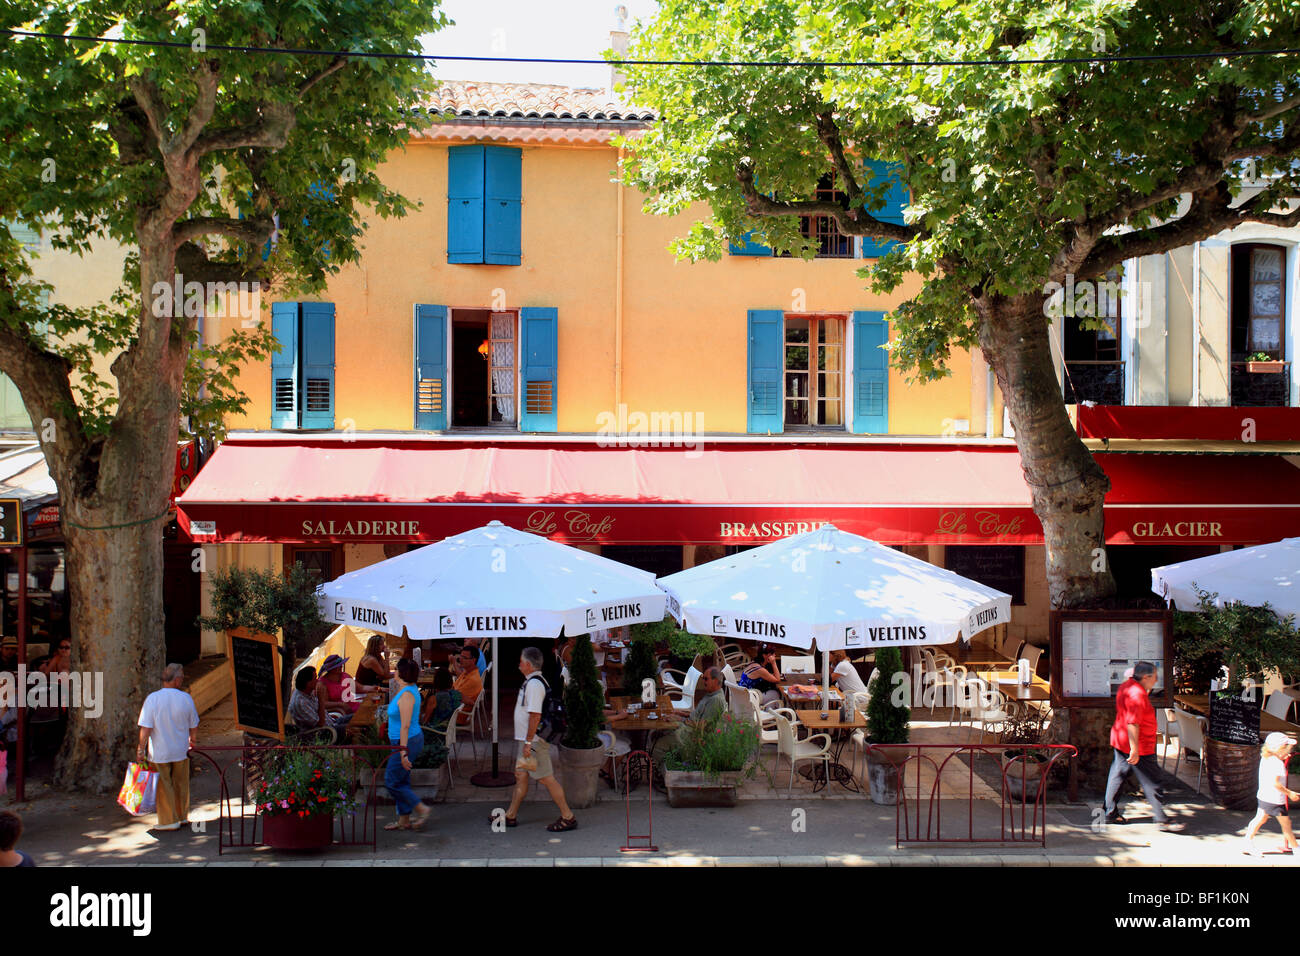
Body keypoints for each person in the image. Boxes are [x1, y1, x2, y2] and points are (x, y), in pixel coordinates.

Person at [498, 646, 577, 832]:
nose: (518, 665)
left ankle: (568, 816)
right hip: (529, 741)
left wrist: (527, 743)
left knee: (546, 778)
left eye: (520, 661)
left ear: (527, 664)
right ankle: (510, 815)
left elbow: (535, 715)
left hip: (532, 743)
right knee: (521, 776)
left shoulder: (534, 685)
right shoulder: (532, 682)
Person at [1103, 661, 1184, 832]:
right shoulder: (1136, 694)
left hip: (1121, 738)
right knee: (1152, 781)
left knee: (1117, 774)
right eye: (1154, 677)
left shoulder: (1126, 686)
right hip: (1139, 744)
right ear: (1146, 677)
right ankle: (1162, 819)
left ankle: (1110, 812)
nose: (1155, 681)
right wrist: (1135, 749)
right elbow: (1133, 723)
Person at [136, 663, 200, 832]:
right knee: (181, 784)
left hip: (159, 751)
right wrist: (192, 740)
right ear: (177, 680)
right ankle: (181, 815)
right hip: (181, 749)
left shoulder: (153, 699)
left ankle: (168, 820)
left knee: (164, 787)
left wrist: (140, 749)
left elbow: (146, 728)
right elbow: (194, 724)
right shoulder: (186, 698)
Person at [383, 658, 430, 831]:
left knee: (391, 780)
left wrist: (403, 752)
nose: (394, 671)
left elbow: (405, 725)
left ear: (401, 673)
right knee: (402, 779)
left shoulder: (407, 695)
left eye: (396, 669)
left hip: (406, 742)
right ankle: (404, 820)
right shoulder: (405, 691)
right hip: (403, 741)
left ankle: (421, 808)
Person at [1243, 732, 1300, 856]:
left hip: (1265, 796)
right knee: (1285, 824)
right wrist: (1290, 793)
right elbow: (1276, 784)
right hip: (1274, 799)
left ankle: (1248, 842)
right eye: (1286, 749)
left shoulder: (1267, 758)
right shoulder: (1278, 764)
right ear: (1278, 749)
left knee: (1260, 819)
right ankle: (1296, 848)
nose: (1288, 752)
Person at [316, 655, 359, 719]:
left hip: (353, 705)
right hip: (341, 711)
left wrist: (375, 688)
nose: (341, 666)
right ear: (331, 669)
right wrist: (340, 704)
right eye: (338, 665)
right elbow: (323, 703)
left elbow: (358, 688)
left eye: (341, 664)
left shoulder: (345, 675)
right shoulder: (322, 684)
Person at [452, 647, 482, 725]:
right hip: (455, 710)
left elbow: (455, 697)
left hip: (457, 716)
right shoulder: (467, 672)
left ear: (473, 660)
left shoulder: (472, 679)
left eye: (464, 658)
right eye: (460, 656)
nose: (460, 659)